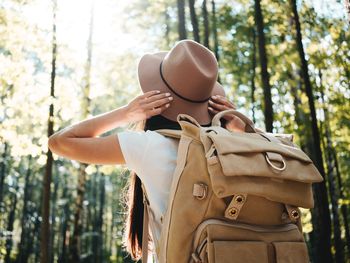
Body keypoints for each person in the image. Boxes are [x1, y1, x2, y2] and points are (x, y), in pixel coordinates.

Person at [48, 40, 245, 262]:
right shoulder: (236, 148)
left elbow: (60, 142)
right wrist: (243, 130)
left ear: (155, 97)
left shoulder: (149, 146)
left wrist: (126, 113)